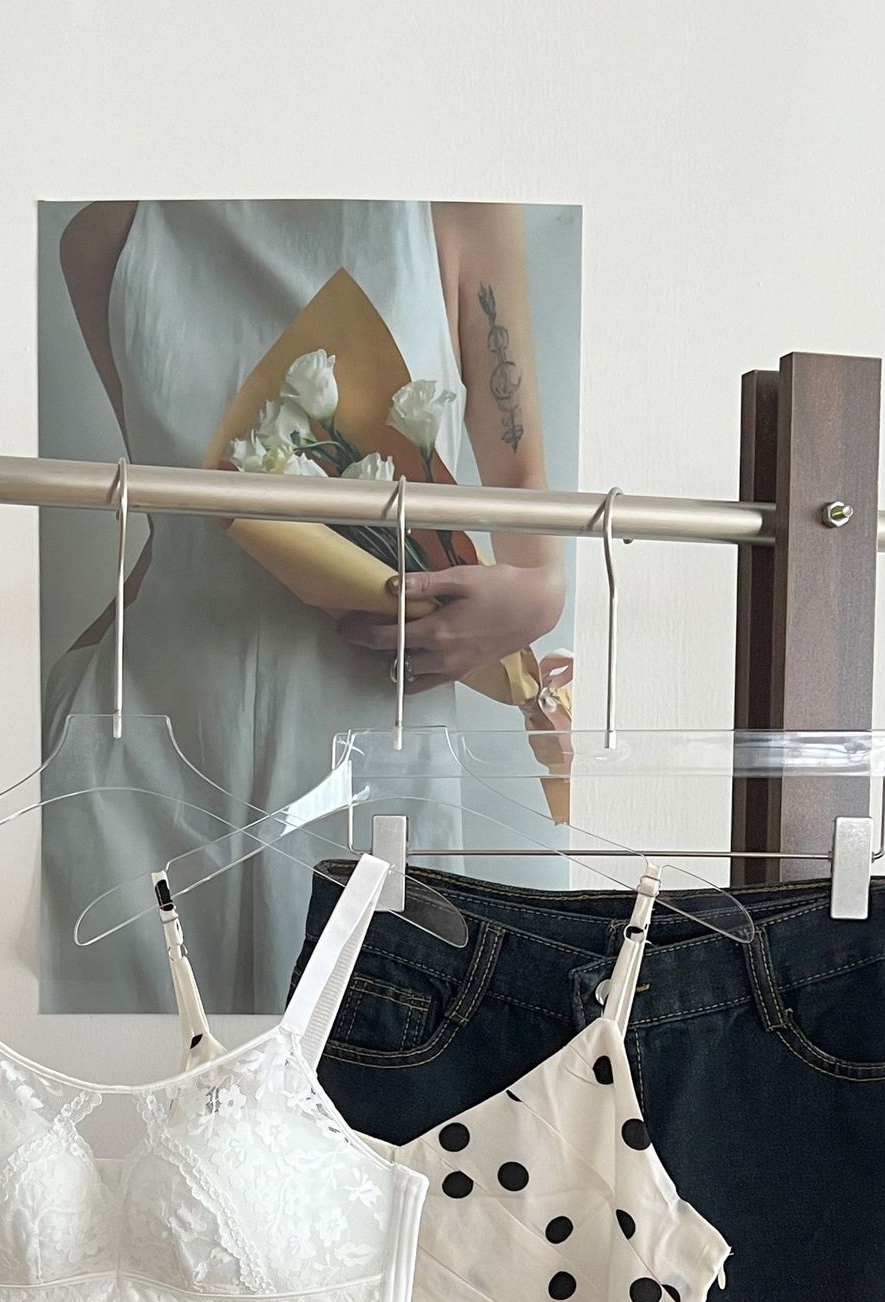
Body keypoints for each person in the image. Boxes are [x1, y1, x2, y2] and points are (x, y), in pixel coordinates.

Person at [42, 198, 566, 1016]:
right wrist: (46, 710)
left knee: (368, 1062)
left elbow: (523, 487)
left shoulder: (457, 208)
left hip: (376, 733)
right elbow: (172, 526)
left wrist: (538, 593)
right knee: (144, 1076)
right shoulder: (105, 236)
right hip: (138, 751)